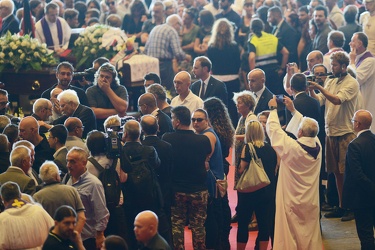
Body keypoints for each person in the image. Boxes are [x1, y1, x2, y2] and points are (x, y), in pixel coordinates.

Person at [309, 51, 362, 221]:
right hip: (331, 132)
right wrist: (312, 90)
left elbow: (337, 100)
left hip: (345, 132)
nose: (332, 68)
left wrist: (319, 87)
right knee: (337, 173)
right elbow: (319, 101)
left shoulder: (352, 83)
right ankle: (342, 205)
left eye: (335, 65)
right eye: (331, 65)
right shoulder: (331, 80)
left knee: (347, 172)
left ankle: (352, 207)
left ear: (344, 66)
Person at [267, 96, 323, 250]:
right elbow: (308, 127)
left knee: (290, 232)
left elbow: (274, 131)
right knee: (309, 231)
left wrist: (273, 110)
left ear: (299, 133)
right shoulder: (318, 145)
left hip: (291, 198)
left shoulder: (292, 148)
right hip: (310, 199)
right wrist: (293, 110)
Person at [162, 106, 211, 249]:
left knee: (177, 227)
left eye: (172, 118)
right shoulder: (203, 140)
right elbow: (207, 157)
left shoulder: (167, 138)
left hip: (177, 190)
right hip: (199, 190)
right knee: (199, 226)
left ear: (177, 121)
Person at [121, 120, 168, 249]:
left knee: (132, 230)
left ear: (125, 134)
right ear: (140, 133)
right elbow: (157, 165)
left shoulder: (121, 152)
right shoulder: (149, 150)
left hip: (129, 197)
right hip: (150, 197)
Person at [237, 120, 277, 250]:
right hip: (267, 191)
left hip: (249, 192)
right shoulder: (270, 148)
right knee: (264, 224)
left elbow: (242, 169)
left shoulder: (247, 148)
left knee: (243, 223)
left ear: (248, 133)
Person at [192, 108, 225, 249]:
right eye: (193, 119)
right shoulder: (204, 134)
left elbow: (206, 158)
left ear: (207, 121)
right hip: (211, 181)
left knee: (210, 218)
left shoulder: (208, 135)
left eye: (199, 119)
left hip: (212, 183)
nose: (196, 122)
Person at [342, 110, 375, 250]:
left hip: (362, 197)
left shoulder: (355, 145)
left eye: (353, 120)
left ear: (357, 124)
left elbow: (357, 175)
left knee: (366, 234)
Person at [65, 147, 110, 249]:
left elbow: (102, 212)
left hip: (88, 238)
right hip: (71, 237)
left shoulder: (94, 184)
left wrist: (99, 235)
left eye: (72, 162)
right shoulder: (67, 179)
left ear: (84, 163)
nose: (68, 165)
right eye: (67, 161)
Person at [33, 161, 86, 234]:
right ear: (57, 176)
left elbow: (37, 224)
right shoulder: (72, 190)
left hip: (49, 240)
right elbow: (82, 218)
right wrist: (74, 236)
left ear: (42, 178)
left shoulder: (37, 197)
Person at [144, 14, 191, 94]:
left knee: (153, 90)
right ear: (177, 24)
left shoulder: (155, 28)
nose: (180, 29)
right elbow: (177, 52)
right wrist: (187, 56)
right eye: (180, 26)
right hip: (164, 65)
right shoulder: (171, 31)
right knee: (167, 90)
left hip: (152, 64)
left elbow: (145, 49)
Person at [0, 181, 54, 249]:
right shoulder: (39, 211)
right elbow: (55, 233)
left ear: (3, 199)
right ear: (20, 195)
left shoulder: (2, 219)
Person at [207, 18, 241, 125]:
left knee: (218, 109)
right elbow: (238, 64)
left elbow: (210, 65)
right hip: (233, 79)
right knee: (233, 108)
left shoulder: (211, 47)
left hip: (217, 80)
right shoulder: (234, 46)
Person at [247, 18, 289, 95]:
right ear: (263, 27)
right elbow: (286, 52)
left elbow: (252, 57)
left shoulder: (253, 40)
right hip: (274, 72)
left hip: (261, 74)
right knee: (275, 96)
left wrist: (253, 74)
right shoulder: (272, 37)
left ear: (251, 29)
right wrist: (282, 68)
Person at [86, 63, 128, 131]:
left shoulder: (121, 89)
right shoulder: (91, 90)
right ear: (98, 76)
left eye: (107, 77)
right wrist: (118, 112)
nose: (103, 79)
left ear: (113, 79)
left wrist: (108, 90)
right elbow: (93, 112)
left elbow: (123, 108)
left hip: (118, 126)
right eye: (101, 76)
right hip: (98, 127)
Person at [349, 32, 375, 132]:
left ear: (359, 44)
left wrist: (351, 61)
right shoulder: (358, 58)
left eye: (352, 41)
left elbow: (356, 79)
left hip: (367, 101)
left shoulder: (370, 61)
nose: (350, 44)